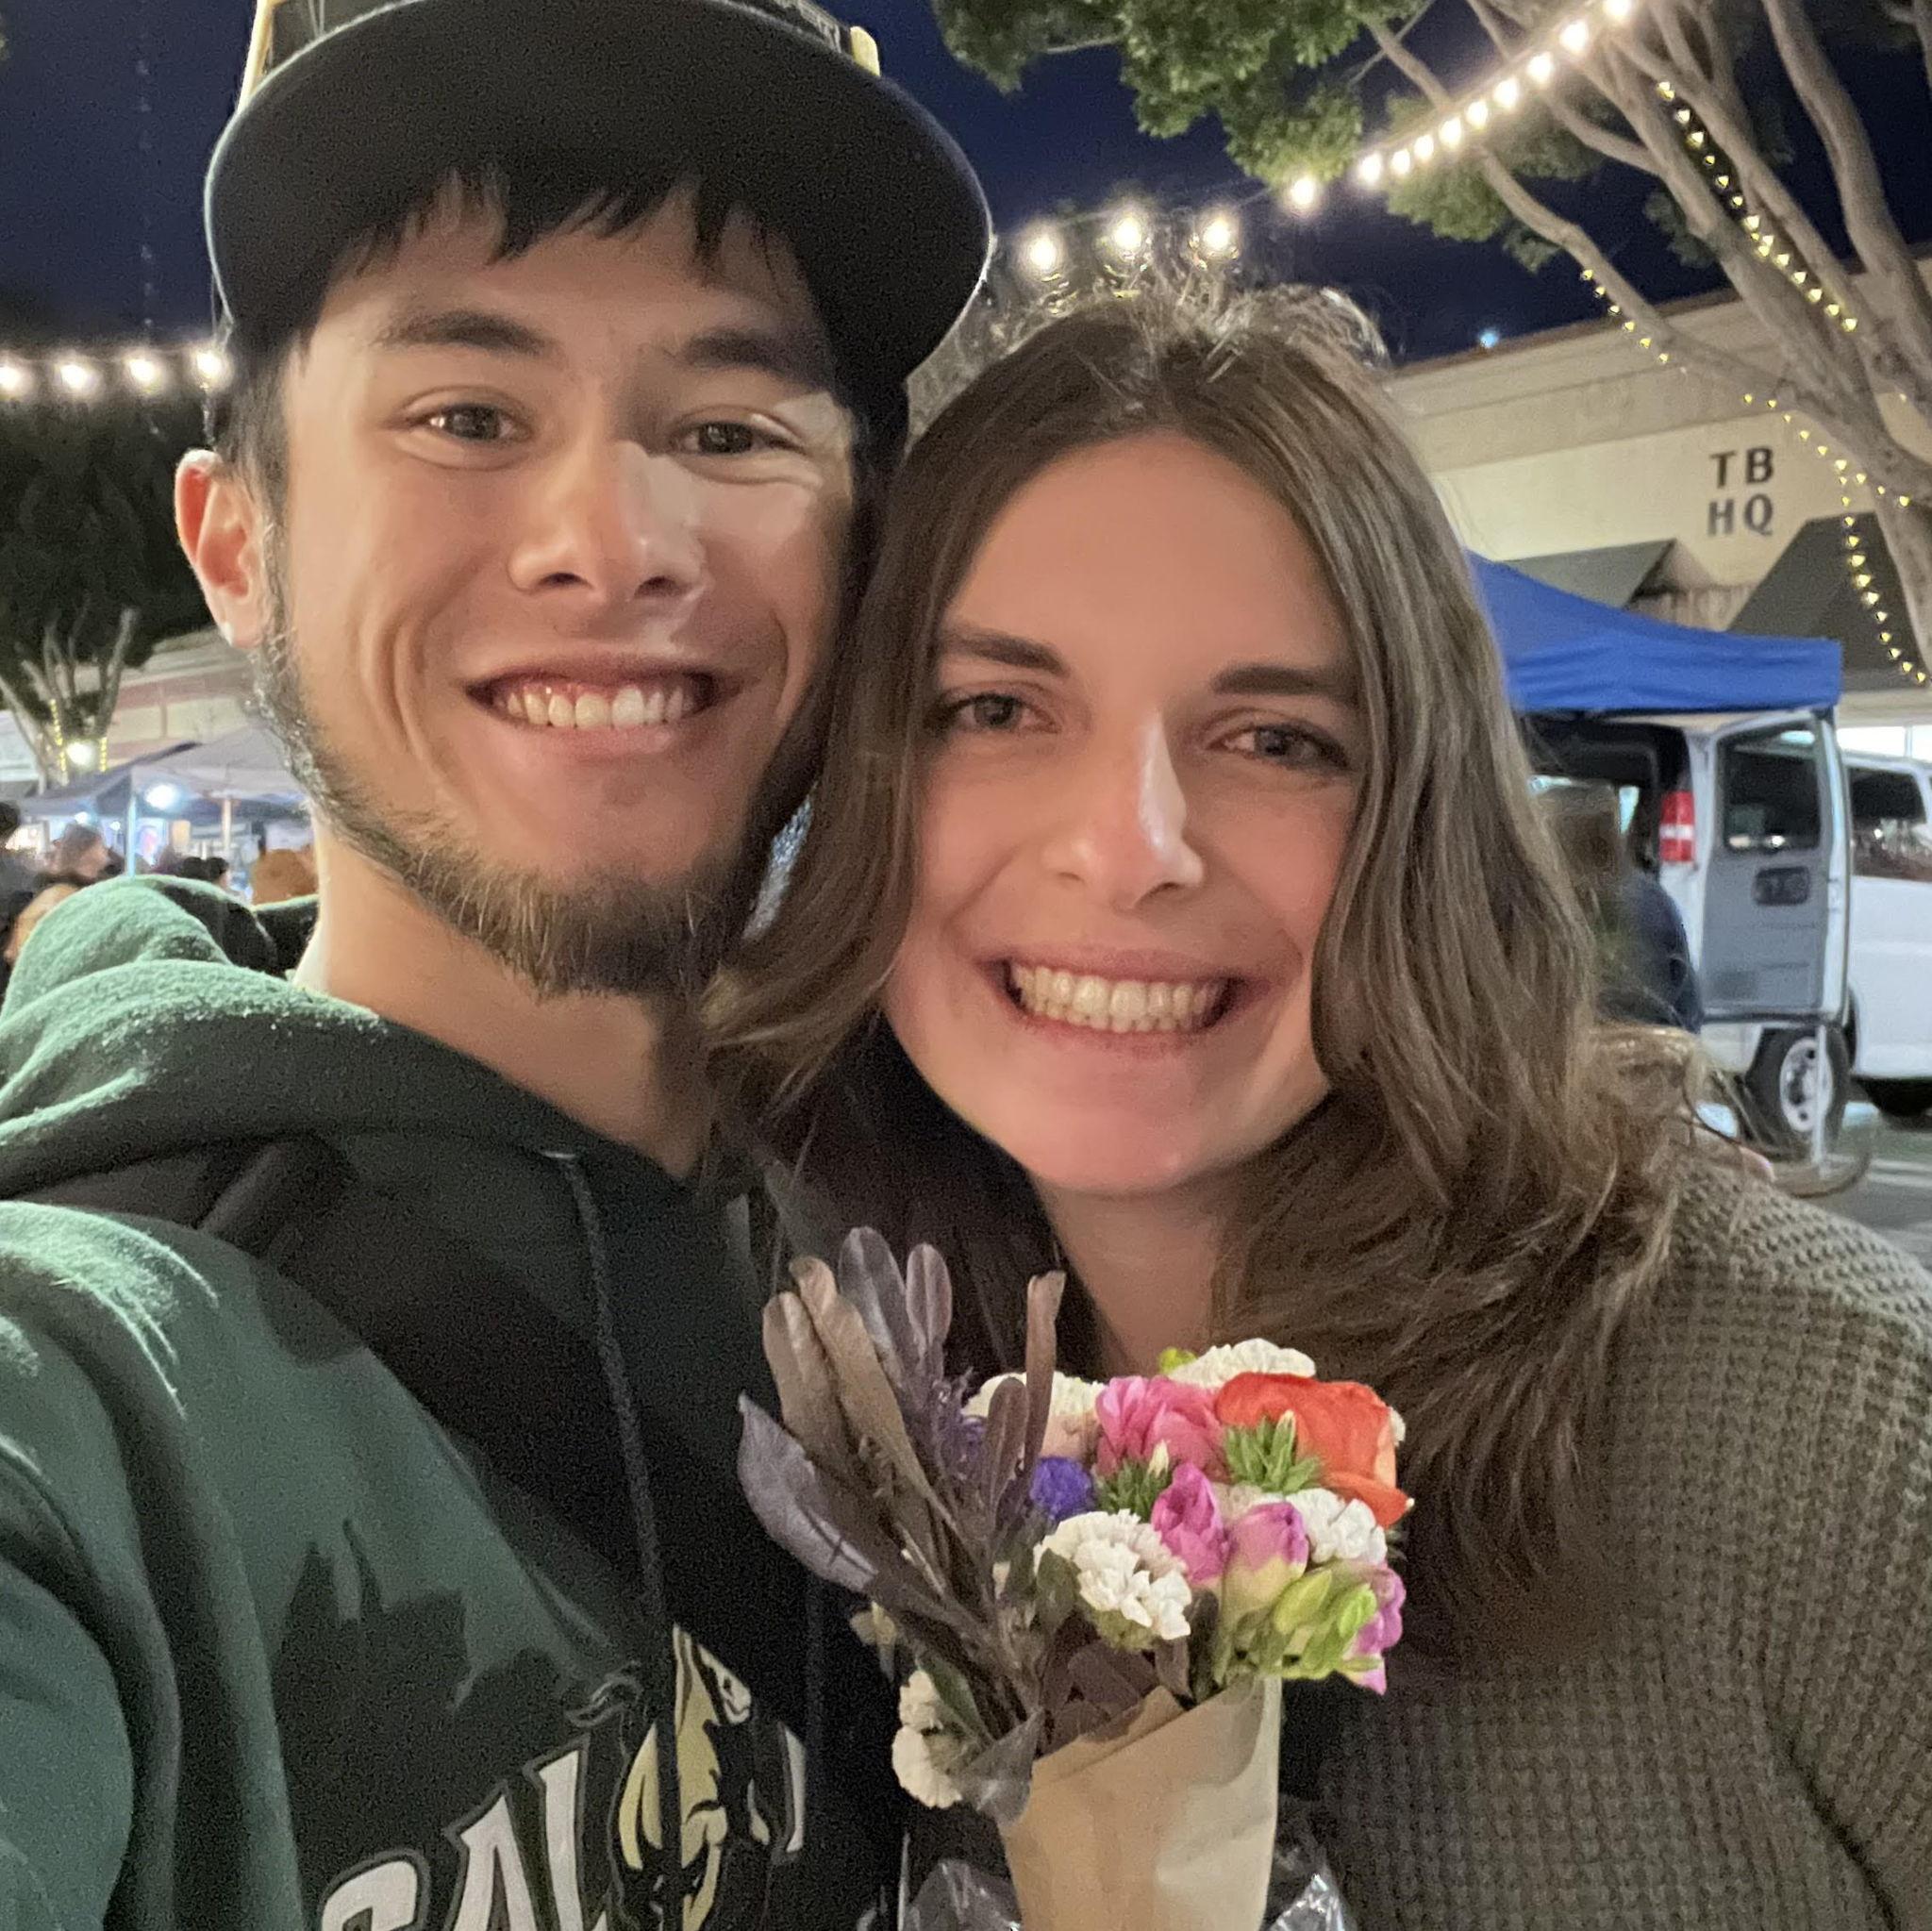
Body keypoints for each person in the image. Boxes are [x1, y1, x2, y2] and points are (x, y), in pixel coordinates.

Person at [713, 288, 1932, 1929]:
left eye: (1276, 738)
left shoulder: (1834, 1437)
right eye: (994, 709)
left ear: (1419, 828)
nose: (1129, 842)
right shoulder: (826, 1435)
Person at [0, 0, 987, 1926]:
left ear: (867, 546)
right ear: (236, 542)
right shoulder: (91, 1400)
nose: (611, 541)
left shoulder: (962, 1239)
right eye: (466, 414)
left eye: (729, 427)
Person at [1541, 778, 1703, 1031]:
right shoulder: (1653, 900)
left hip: (1573, 1056)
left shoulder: (1544, 904)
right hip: (1648, 1053)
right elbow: (1687, 1002)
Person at [43, 819, 115, 882]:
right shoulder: (63, 888)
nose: (106, 850)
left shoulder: (103, 881)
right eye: (100, 845)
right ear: (85, 850)